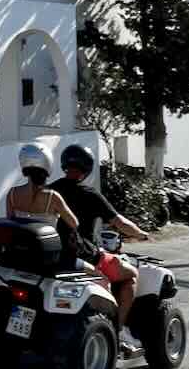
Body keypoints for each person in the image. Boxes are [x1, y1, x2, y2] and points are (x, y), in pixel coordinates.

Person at [50, 144, 149, 352]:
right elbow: (118, 222)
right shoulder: (90, 194)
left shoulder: (51, 190)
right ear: (87, 168)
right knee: (130, 274)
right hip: (83, 253)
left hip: (54, 253)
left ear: (64, 164)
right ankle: (119, 330)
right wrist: (140, 234)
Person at [6, 143, 79, 232]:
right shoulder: (53, 197)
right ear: (47, 163)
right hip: (48, 245)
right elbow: (74, 224)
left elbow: (9, 223)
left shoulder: (12, 194)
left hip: (18, 245)